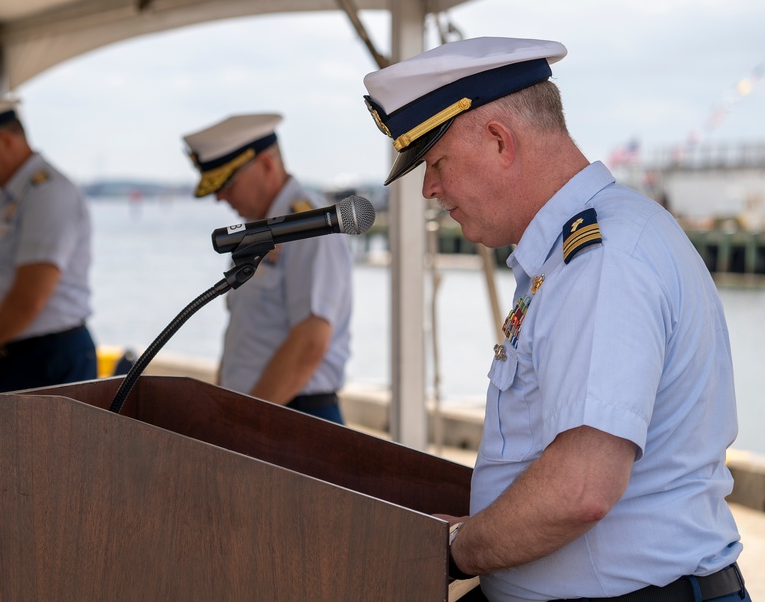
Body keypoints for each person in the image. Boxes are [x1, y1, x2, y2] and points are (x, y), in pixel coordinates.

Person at [362, 37, 749, 600]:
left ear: (499, 140)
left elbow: (582, 487)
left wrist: (453, 552)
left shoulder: (602, 261)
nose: (429, 188)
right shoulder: (569, 256)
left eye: (437, 161)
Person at [182, 114, 353, 423]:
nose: (220, 196)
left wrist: (244, 420)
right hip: (262, 411)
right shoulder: (258, 234)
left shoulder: (310, 225)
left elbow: (310, 342)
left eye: (228, 183)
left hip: (294, 416)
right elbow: (244, 335)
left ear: (266, 165)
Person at [0, 100, 97, 393]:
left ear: (7, 140)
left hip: (49, 358)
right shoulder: (13, 195)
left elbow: (30, 297)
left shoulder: (46, 193)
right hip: (17, 353)